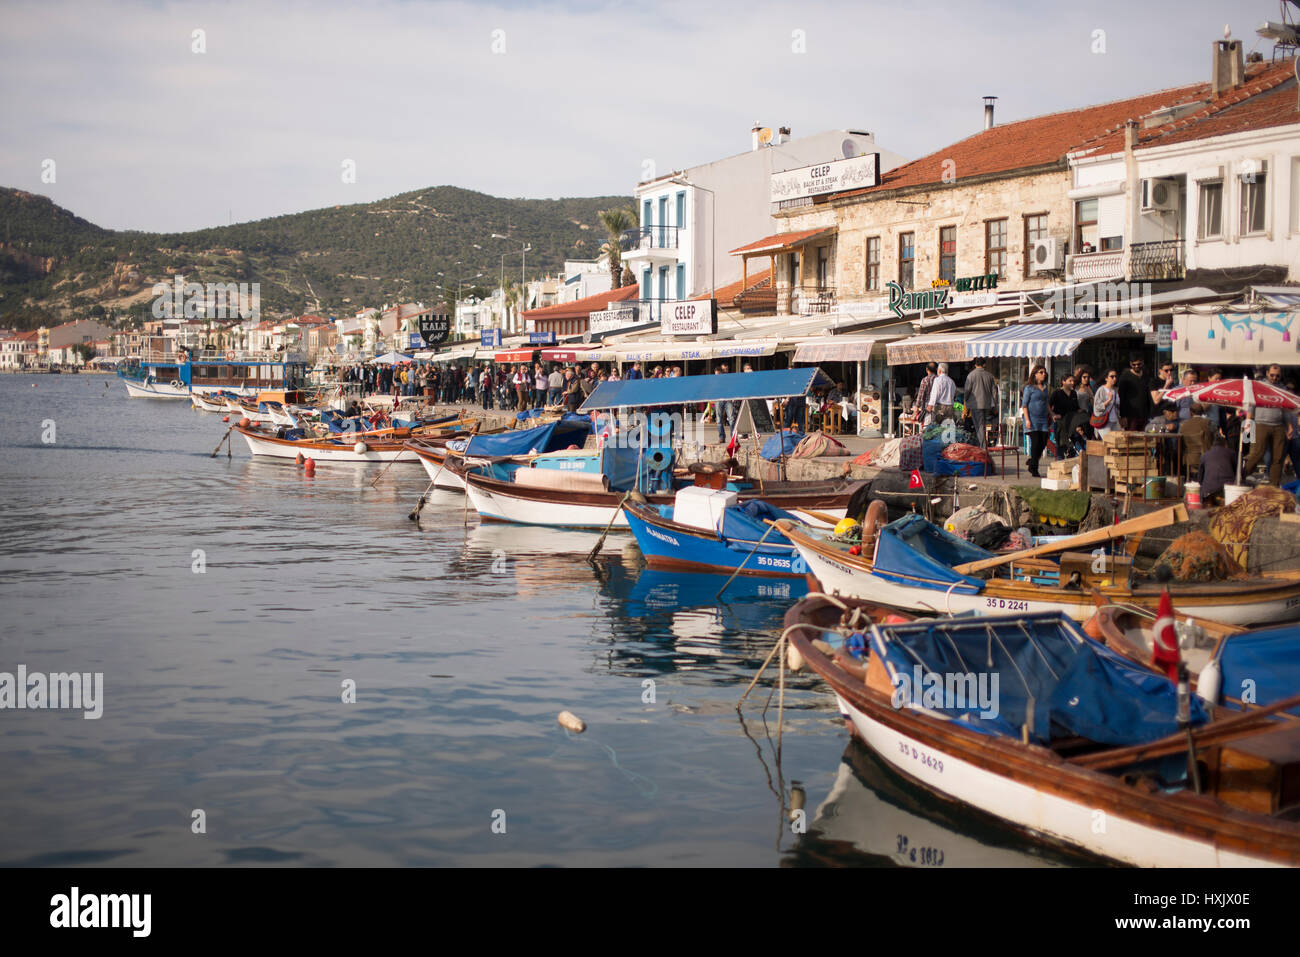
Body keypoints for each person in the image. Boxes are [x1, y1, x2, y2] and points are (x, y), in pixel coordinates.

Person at [1244, 363, 1289, 485]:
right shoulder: (1259, 385)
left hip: (1278, 424)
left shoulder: (1282, 388)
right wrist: (1248, 422)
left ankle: (1274, 485)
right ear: (1267, 373)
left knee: (1278, 458)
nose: (1274, 378)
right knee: (1257, 453)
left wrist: (1288, 425)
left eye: (1277, 376)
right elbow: (1251, 405)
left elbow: (1284, 408)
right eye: (1272, 375)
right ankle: (1242, 476)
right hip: (1260, 423)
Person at [1021, 364, 1050, 477]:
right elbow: (1024, 405)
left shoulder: (1045, 387)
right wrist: (1027, 420)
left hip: (1043, 419)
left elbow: (1046, 403)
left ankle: (1032, 461)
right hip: (1032, 419)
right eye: (1041, 372)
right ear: (1035, 374)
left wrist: (1051, 414)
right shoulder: (1029, 388)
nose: (1044, 374)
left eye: (1044, 372)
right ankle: (1034, 468)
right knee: (1036, 442)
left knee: (1043, 442)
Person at [964, 357, 997, 448]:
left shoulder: (971, 375)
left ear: (975, 365)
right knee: (983, 424)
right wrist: (994, 404)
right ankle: (982, 444)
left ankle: (982, 446)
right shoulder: (989, 376)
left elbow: (967, 390)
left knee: (979, 426)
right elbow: (994, 392)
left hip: (975, 404)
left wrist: (966, 400)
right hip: (986, 404)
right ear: (984, 365)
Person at [1118, 356, 1154, 431]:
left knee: (1144, 438)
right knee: (1131, 438)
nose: (1136, 366)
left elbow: (1149, 395)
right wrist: (1123, 415)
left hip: (1144, 414)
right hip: (1130, 415)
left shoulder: (1146, 375)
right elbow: (1121, 397)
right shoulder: (1125, 377)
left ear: (1142, 363)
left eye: (1139, 364)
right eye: (1134, 364)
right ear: (1130, 364)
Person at [1180, 403, 1214, 479]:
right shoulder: (1208, 423)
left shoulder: (1183, 425)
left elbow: (1180, 444)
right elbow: (1216, 438)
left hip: (1189, 458)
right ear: (1203, 412)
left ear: (1190, 413)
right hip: (1206, 456)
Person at [1048, 373, 1077, 460]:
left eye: (1073, 381)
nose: (1072, 383)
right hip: (1060, 422)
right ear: (1063, 382)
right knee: (1060, 444)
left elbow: (1076, 407)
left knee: (1072, 443)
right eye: (1070, 381)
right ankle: (1059, 462)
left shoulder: (1073, 393)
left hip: (1071, 422)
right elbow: (1048, 405)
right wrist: (1053, 414)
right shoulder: (1057, 393)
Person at [1199, 437, 1235, 504]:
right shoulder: (1231, 453)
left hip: (1207, 491)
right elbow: (1237, 472)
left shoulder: (1205, 455)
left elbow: (1200, 477)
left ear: (1212, 446)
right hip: (1226, 490)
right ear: (1225, 445)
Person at [1092, 369, 1120, 439]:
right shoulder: (1101, 390)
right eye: (1112, 376)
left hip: (1115, 420)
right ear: (1106, 378)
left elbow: (1117, 406)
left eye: (1115, 376)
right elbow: (1097, 407)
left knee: (1119, 441)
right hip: (1104, 421)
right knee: (1108, 442)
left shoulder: (1115, 390)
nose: (1114, 378)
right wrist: (1108, 400)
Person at [915, 362, 938, 427]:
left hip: (927, 408)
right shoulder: (939, 379)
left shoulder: (925, 380)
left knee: (927, 428)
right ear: (936, 369)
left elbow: (920, 394)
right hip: (938, 408)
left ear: (927, 369)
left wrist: (917, 406)